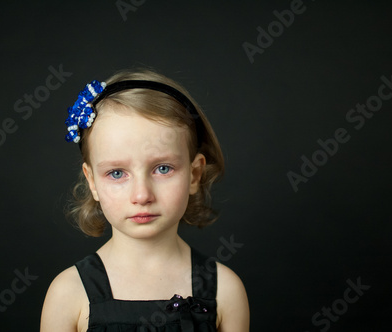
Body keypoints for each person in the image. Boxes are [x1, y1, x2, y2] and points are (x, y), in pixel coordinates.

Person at [40, 69, 249, 331]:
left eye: (162, 169)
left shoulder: (225, 290)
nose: (142, 195)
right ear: (92, 181)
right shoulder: (68, 293)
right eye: (117, 173)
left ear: (195, 174)